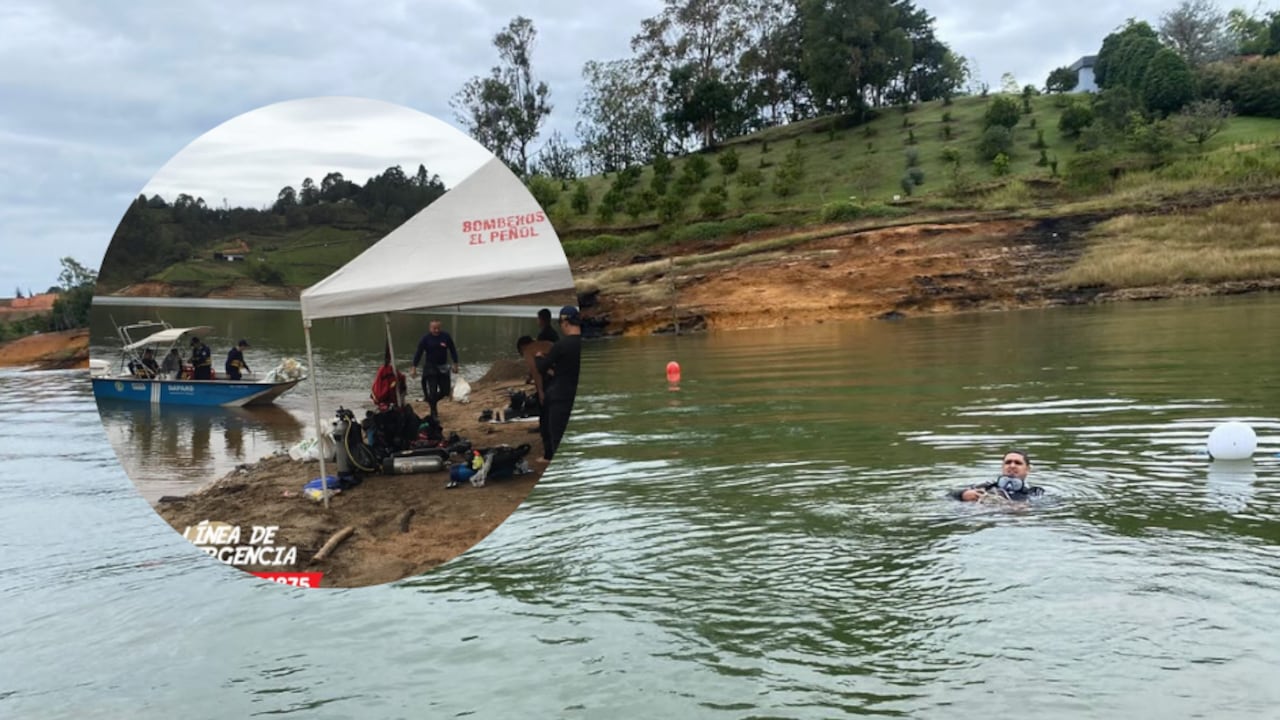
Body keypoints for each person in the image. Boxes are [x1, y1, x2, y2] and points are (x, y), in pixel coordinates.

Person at [534, 305, 583, 463]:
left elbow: (542, 368)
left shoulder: (561, 345)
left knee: (558, 436)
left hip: (560, 397)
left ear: (565, 323)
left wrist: (538, 357)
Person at [411, 319, 459, 420]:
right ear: (430, 328)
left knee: (445, 391)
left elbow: (453, 350)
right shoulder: (425, 339)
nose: (436, 330)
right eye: (434, 328)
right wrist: (414, 367)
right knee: (432, 391)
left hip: (443, 367)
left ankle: (431, 400)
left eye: (438, 328)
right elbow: (419, 352)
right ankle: (433, 412)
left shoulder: (446, 336)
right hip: (430, 367)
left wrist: (455, 363)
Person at [952, 450, 1044, 502]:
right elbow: (950, 496)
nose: (1012, 466)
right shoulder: (986, 486)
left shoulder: (1035, 492)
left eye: (1018, 463)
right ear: (1002, 467)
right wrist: (963, 495)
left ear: (1027, 469)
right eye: (1008, 462)